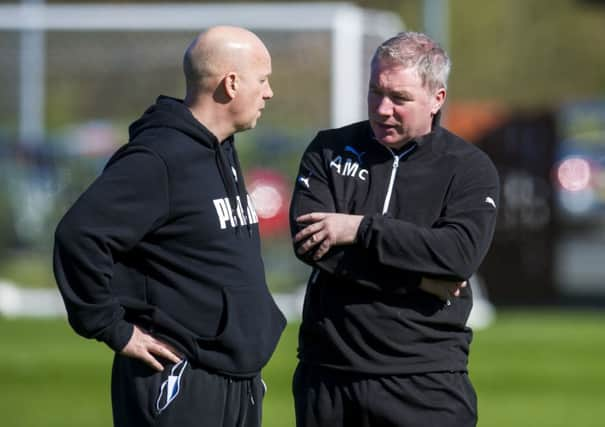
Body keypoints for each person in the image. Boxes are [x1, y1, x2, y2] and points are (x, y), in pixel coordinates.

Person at [53, 26, 286, 427]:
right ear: (231, 83)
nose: (268, 93)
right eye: (262, 81)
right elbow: (79, 235)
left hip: (235, 382)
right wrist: (113, 328)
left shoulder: (221, 148)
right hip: (180, 381)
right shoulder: (159, 158)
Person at [289, 31, 500, 427]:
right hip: (329, 376)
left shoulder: (469, 168)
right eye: (375, 92)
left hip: (425, 381)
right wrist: (423, 278)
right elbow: (310, 243)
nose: (382, 109)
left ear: (437, 99)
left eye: (399, 98)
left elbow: (457, 256)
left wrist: (359, 229)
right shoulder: (329, 149)